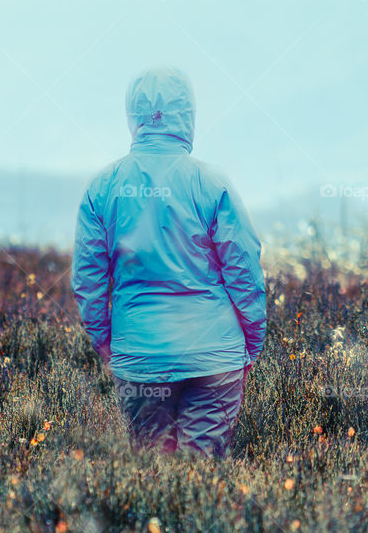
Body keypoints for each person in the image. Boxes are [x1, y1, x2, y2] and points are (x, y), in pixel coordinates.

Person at [71, 67, 267, 458]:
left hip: (139, 357)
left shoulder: (102, 187)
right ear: (187, 114)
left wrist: (109, 345)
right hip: (214, 357)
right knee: (200, 474)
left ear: (133, 116)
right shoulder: (213, 184)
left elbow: (89, 283)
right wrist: (251, 341)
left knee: (154, 474)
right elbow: (244, 271)